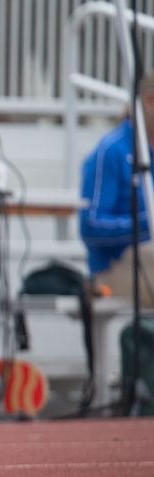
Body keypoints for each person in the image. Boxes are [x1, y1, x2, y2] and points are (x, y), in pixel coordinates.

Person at [79, 70, 154, 309]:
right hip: (114, 266)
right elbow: (90, 226)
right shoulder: (111, 150)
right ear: (149, 100)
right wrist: (149, 222)